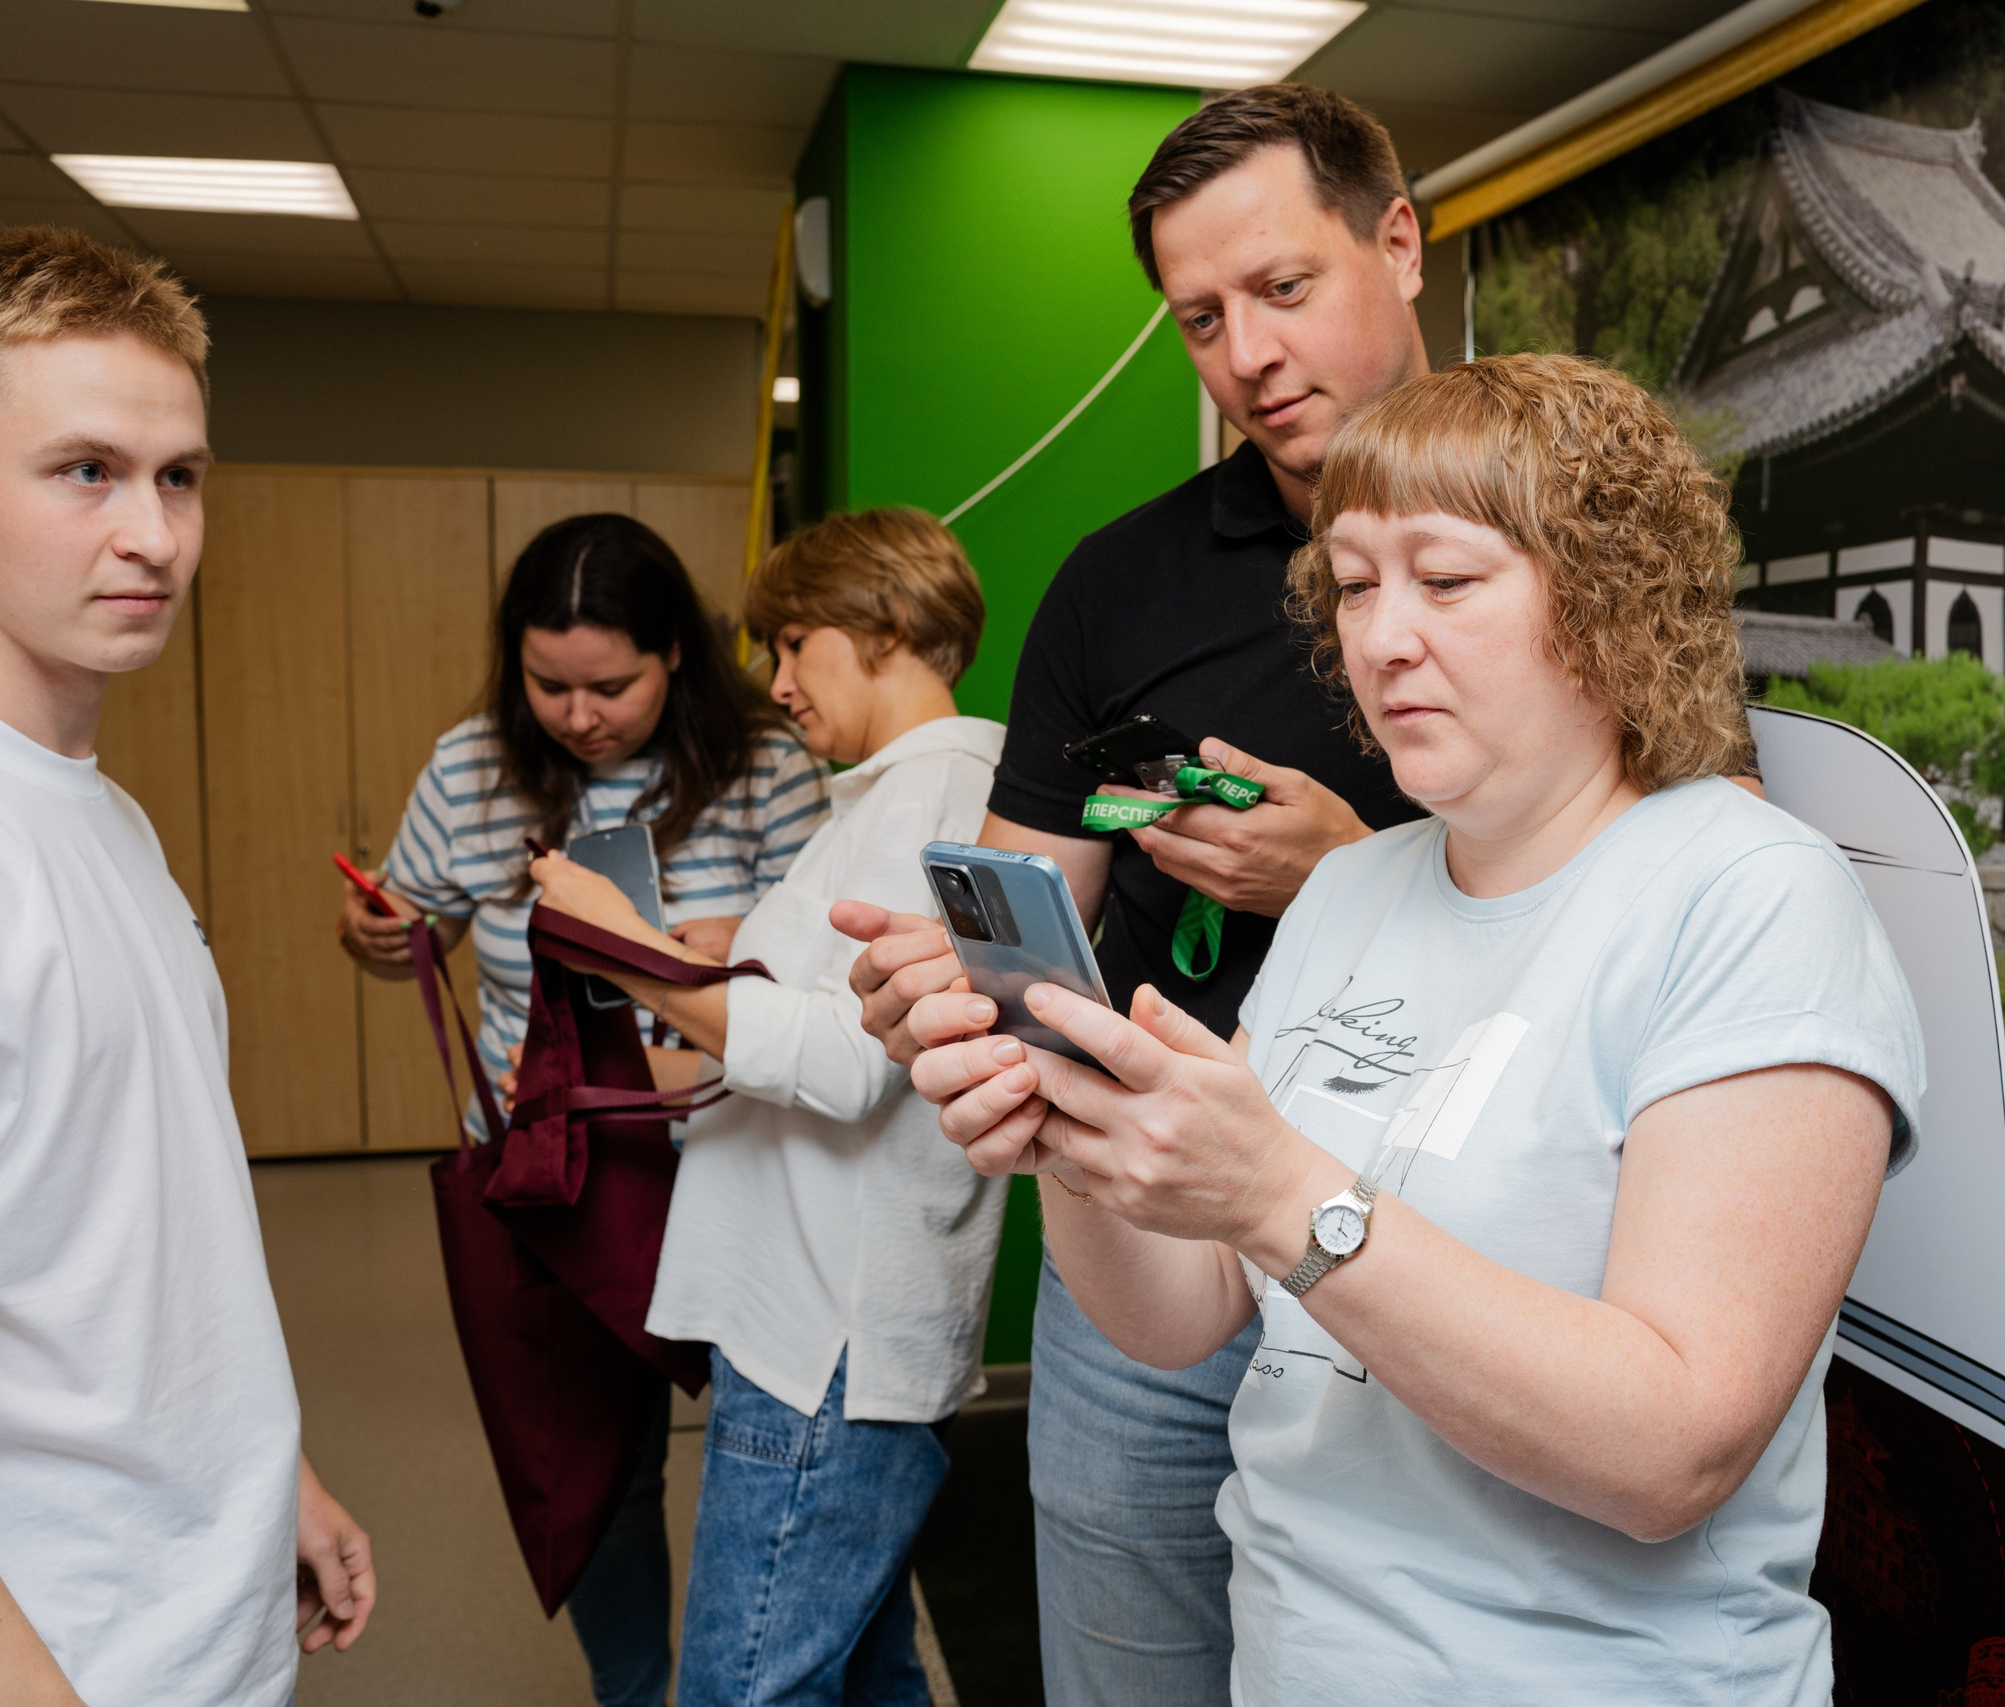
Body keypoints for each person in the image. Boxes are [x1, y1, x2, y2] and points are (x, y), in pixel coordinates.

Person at [907, 353, 1927, 1704]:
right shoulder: (1351, 887)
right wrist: (1069, 1129)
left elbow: (1673, 1449)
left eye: (1446, 581)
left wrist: (1282, 1191)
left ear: (1609, 595)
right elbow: (1188, 1310)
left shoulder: (1753, 896)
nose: (1383, 638)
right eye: (1352, 583)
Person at [837, 85, 1436, 1704]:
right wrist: (954, 971)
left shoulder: (1556, 542)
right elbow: (1032, 892)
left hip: (1441, 1209)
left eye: (1284, 289)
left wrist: (1348, 863)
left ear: (1400, 243)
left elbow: (1671, 864)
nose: (1245, 352)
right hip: (1150, 1206)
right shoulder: (1124, 579)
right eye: (1198, 319)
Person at [520, 508, 1008, 1707]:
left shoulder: (931, 792)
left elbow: (850, 1064)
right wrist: (736, 956)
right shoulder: (894, 798)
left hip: (821, 1338)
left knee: (746, 1690)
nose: (776, 683)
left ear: (885, 626)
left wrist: (629, 951)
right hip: (817, 1321)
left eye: (794, 645)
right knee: (861, 1678)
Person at [336, 512, 825, 1707]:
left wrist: (717, 962)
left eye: (611, 685)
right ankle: (635, 1690)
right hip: (551, 1168)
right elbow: (414, 925)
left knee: (765, 1445)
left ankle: (748, 1667)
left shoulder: (764, 763)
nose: (578, 714)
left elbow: (823, 972)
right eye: (548, 685)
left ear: (676, 656)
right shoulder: (469, 765)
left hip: (728, 1155)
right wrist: (376, 932)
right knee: (599, 1466)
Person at [0, 224, 376, 1704]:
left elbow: (129, 1226)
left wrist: (267, 1470)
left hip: (197, 1615)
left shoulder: (108, 823)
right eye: (84, 469)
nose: (153, 533)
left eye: (179, 475)